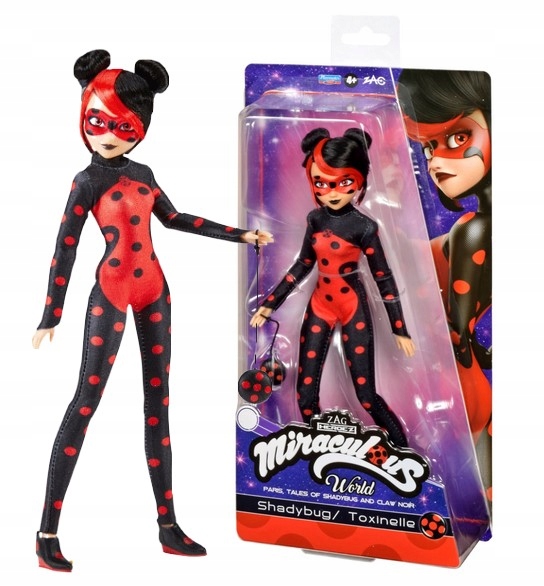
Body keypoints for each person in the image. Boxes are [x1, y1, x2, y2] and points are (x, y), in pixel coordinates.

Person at [33, 49, 272, 572]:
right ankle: (47, 532)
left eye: (123, 125)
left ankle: (168, 527)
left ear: (142, 126)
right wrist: (52, 312)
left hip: (155, 292)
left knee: (158, 406)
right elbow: (65, 247)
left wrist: (241, 235)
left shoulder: (143, 171)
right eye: (97, 121)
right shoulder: (86, 181)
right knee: (85, 402)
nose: (108, 134)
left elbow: (176, 218)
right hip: (111, 292)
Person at [250, 127, 415, 448]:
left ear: (359, 180)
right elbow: (302, 264)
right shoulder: (315, 220)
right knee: (305, 392)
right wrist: (269, 303)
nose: (332, 192)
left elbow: (383, 277)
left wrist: (400, 328)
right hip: (320, 305)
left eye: (344, 182)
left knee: (366, 395)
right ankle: (318, 449)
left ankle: (404, 452)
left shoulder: (364, 227)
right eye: (322, 183)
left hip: (353, 307)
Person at [397, 69, 492, 441]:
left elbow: (459, 330)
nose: (435, 163)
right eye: (429, 149)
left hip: (443, 377)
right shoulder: (472, 230)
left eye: (458, 138)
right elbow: (460, 330)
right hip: (445, 372)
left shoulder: (476, 229)